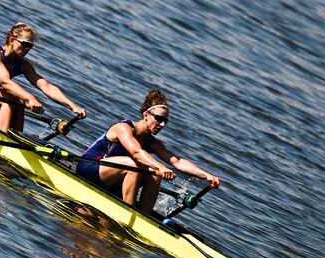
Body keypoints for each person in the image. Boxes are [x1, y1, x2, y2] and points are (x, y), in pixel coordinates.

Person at [74, 90, 220, 213]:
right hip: (89, 168)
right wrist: (161, 167)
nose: (162, 124)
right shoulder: (123, 128)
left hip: (113, 178)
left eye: (165, 121)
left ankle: (144, 215)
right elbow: (136, 152)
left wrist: (206, 175)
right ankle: (127, 214)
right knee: (137, 165)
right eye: (159, 118)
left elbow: (177, 161)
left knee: (155, 175)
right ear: (145, 115)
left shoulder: (154, 144)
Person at [0, 24, 87, 133]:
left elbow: (46, 86)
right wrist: (31, 98)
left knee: (18, 100)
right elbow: (5, 82)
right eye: (25, 44)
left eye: (30, 46)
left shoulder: (23, 65)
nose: (27, 49)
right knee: (11, 96)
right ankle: (2, 136)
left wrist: (72, 105)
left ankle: (15, 136)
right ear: (12, 40)